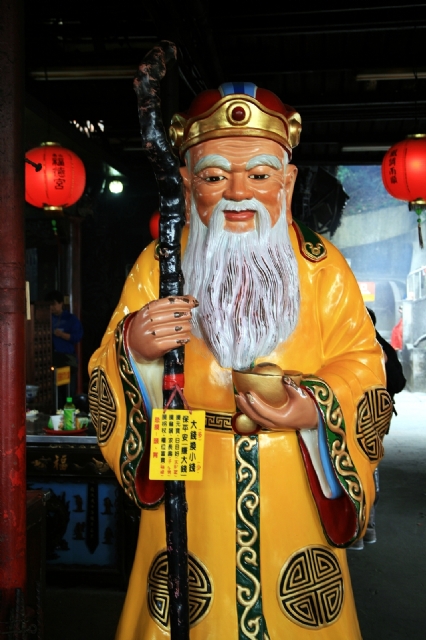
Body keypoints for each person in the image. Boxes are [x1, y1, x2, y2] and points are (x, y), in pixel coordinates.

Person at [88, 84, 392, 639]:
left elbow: (363, 364)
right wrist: (134, 347)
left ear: (287, 182)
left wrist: (314, 407)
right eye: (213, 176)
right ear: (187, 184)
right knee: (184, 600)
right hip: (186, 447)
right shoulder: (161, 265)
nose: (237, 193)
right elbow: (108, 362)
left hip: (292, 469)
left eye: (258, 175)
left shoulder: (322, 267)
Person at [348, 308, 405, 550]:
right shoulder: (379, 347)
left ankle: (361, 528)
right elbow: (399, 383)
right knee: (367, 466)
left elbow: (398, 382)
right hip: (370, 418)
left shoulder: (364, 349)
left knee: (358, 467)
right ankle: (365, 527)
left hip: (363, 418)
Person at [45, 290, 83, 406]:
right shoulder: (46, 318)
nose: (51, 307)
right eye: (49, 305)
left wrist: (62, 335)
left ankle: (68, 413)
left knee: (67, 392)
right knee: (53, 393)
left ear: (61, 303)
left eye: (54, 304)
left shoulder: (70, 319)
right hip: (51, 359)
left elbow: (77, 337)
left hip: (66, 360)